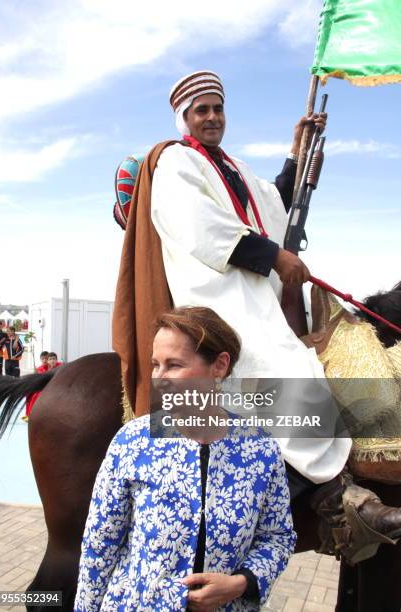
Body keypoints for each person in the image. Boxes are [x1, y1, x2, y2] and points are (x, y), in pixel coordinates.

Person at [147, 71, 401, 562]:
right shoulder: (177, 163)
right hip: (217, 294)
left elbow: (273, 204)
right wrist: (275, 257)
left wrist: (297, 151)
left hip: (255, 288)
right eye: (202, 111)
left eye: (218, 109)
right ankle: (335, 501)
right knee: (284, 366)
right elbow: (202, 227)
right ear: (185, 117)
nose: (213, 118)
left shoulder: (233, 166)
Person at [75, 307, 296, 611]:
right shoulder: (132, 442)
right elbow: (100, 546)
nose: (159, 378)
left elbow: (278, 538)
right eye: (155, 365)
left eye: (174, 365)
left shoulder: (261, 449)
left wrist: (241, 583)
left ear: (219, 365)